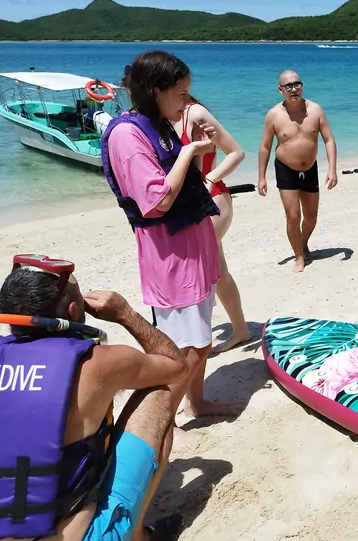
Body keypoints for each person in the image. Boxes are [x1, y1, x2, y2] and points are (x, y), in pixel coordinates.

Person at [0, 253, 188, 541]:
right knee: (158, 393)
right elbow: (176, 368)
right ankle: (139, 536)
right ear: (73, 310)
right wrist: (125, 314)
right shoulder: (96, 364)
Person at [100, 50, 235, 449]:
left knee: (202, 337)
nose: (188, 102)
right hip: (170, 254)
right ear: (156, 90)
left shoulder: (158, 123)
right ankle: (164, 419)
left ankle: (198, 401)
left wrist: (190, 148)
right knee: (180, 348)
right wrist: (192, 152)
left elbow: (181, 184)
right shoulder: (128, 134)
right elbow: (155, 200)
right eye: (181, 93)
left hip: (194, 245)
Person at [170, 95, 252, 353]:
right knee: (217, 271)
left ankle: (193, 341)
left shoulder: (194, 113)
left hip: (213, 200)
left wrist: (210, 178)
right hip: (189, 204)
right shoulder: (161, 118)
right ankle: (240, 330)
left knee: (199, 271)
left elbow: (236, 152)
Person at [257, 70, 339, 273]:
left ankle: (303, 243)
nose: (293, 89)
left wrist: (332, 169)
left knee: (311, 217)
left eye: (297, 85)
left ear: (302, 86)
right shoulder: (274, 115)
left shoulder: (316, 110)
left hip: (310, 168)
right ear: (280, 89)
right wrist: (261, 177)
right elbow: (265, 146)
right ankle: (299, 255)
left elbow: (328, 139)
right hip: (285, 169)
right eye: (288, 86)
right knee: (293, 216)